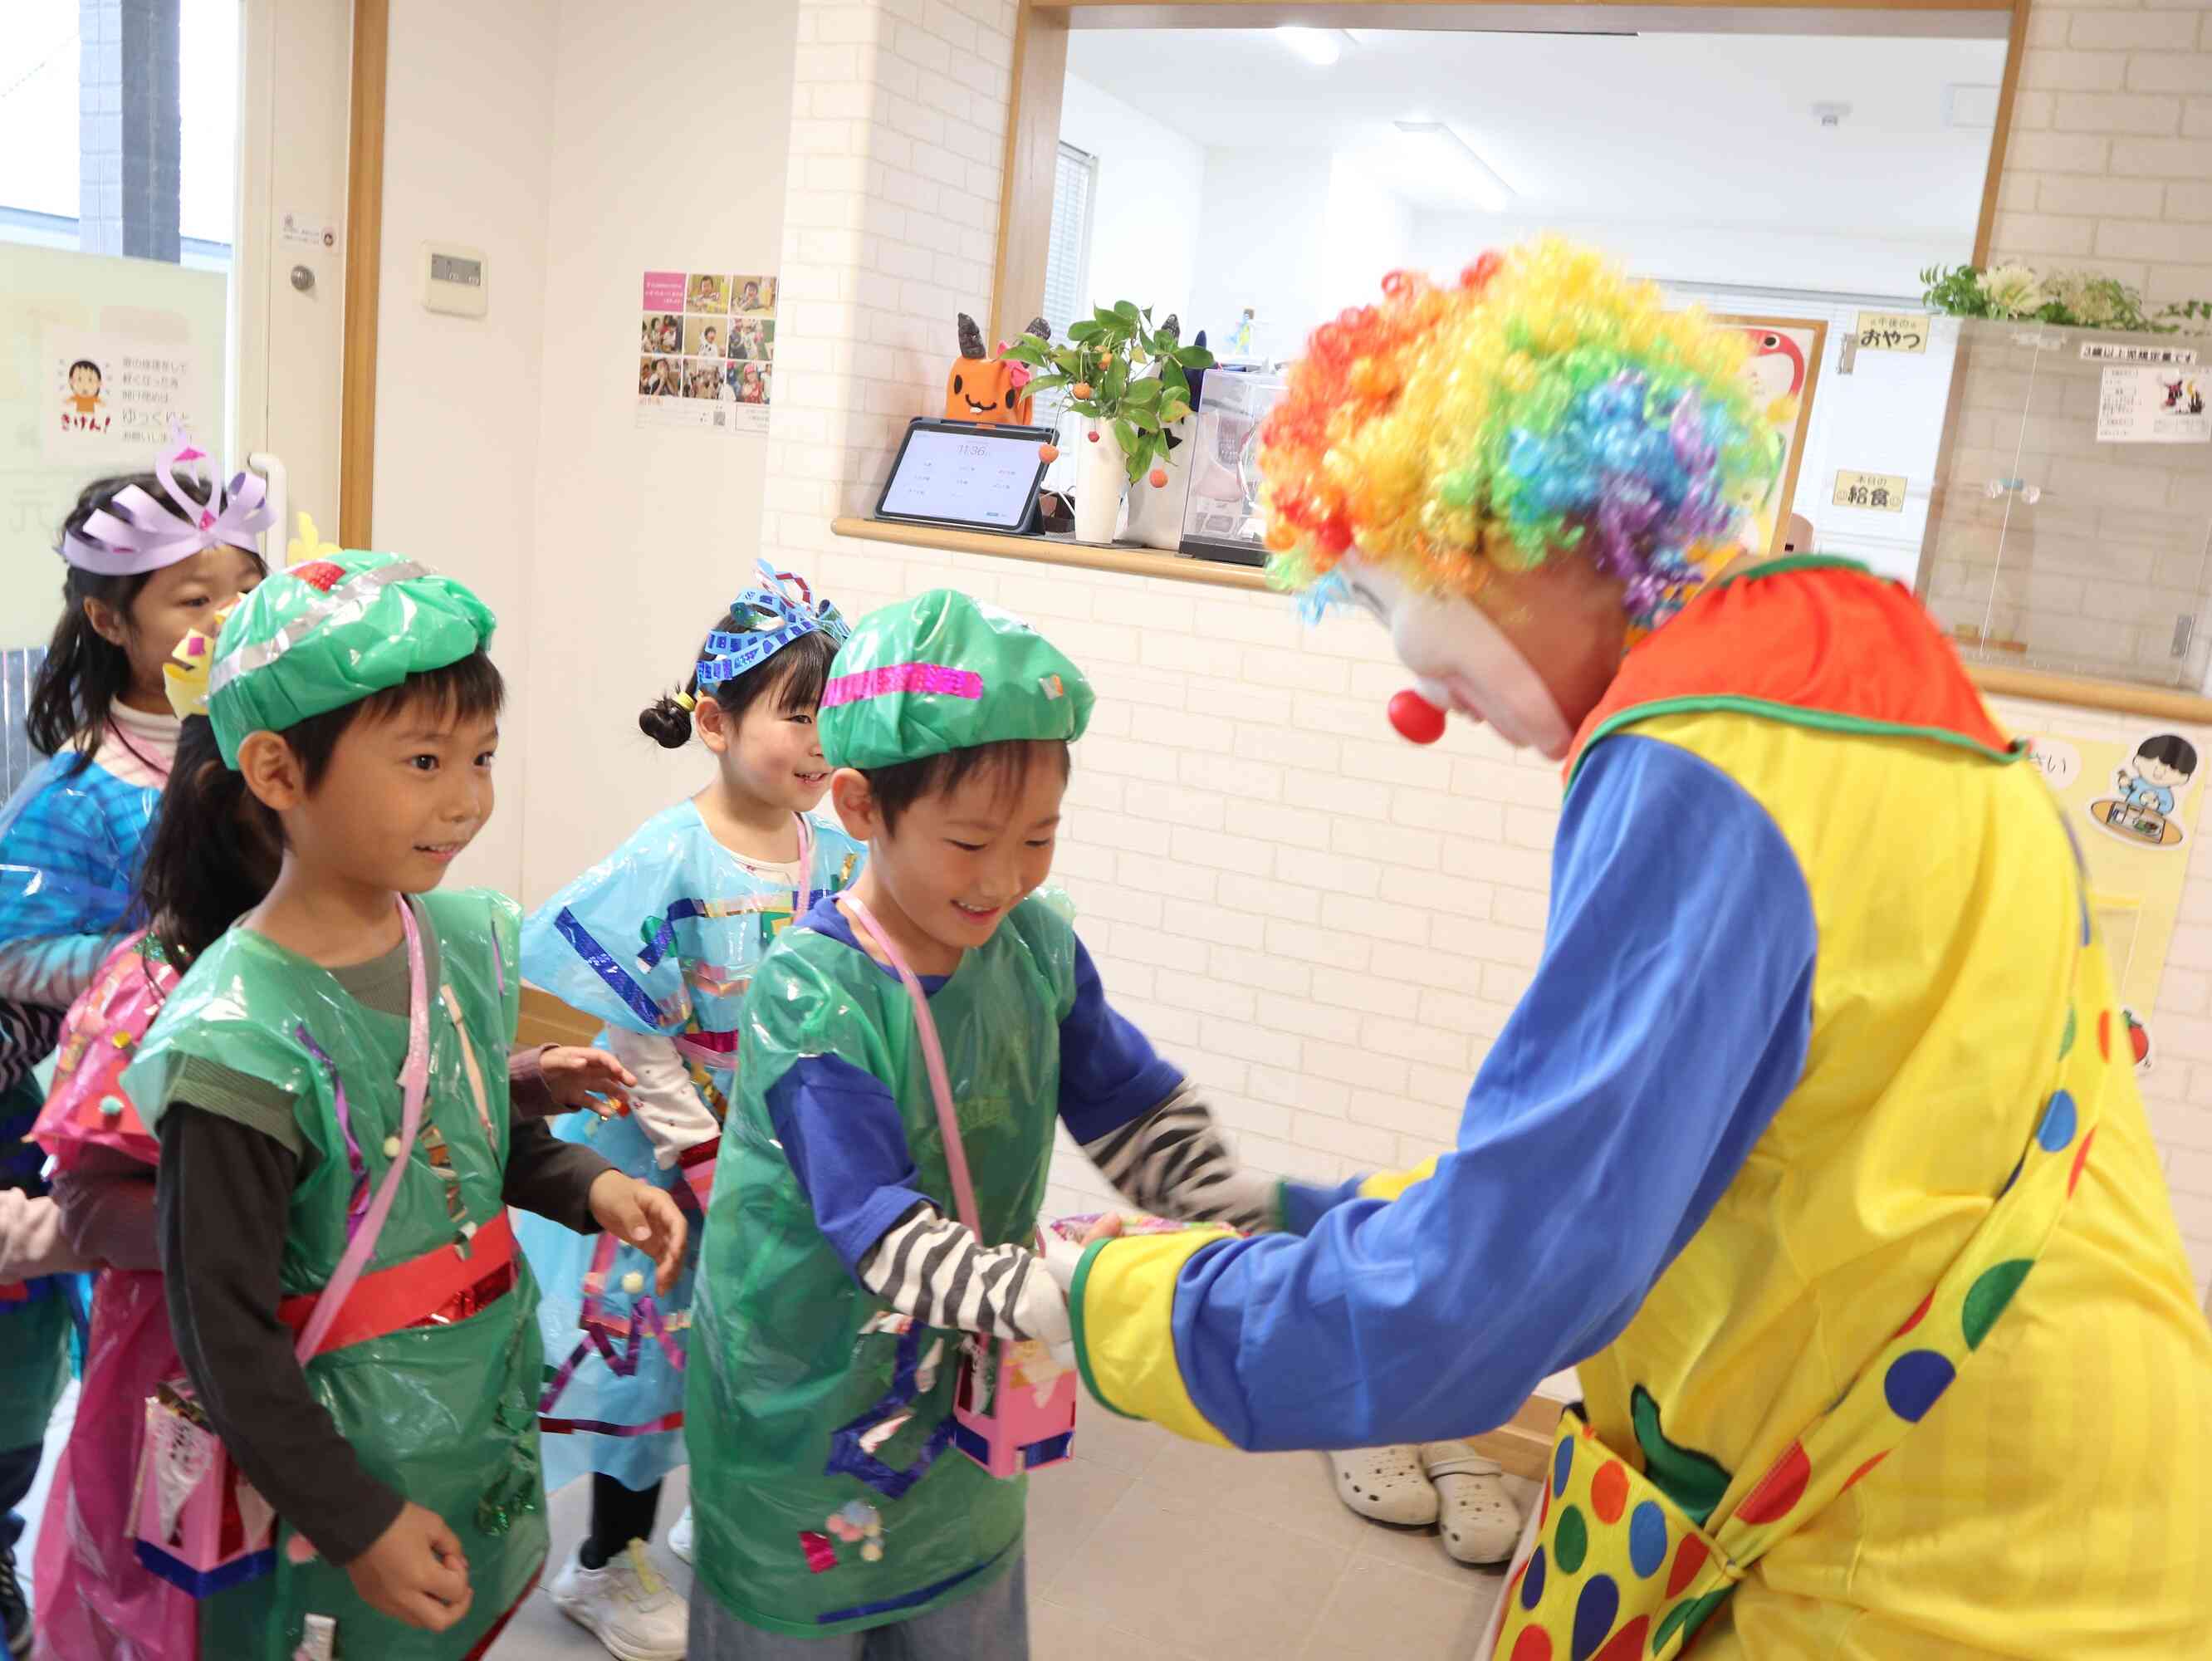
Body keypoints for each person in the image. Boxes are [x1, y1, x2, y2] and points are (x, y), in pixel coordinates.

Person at [1054, 241, 2212, 1659]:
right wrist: (1311, 1213)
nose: (1414, 688)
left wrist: (1100, 1300)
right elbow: (1697, 1162)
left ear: (1531, 523)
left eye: (1390, 593)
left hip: (1948, 1567)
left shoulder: (1697, 761)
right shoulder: (1857, 670)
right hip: (2084, 1483)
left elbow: (1489, 1295)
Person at [684, 590, 1340, 1658]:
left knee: (961, 1613)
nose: (1005, 876)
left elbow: (1132, 1109)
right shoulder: (816, 994)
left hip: (966, 1386)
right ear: (859, 804)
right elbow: (884, 1235)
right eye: (970, 839)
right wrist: (1085, 1298)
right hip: (802, 1406)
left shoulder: (1032, 945)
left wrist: (1244, 1208)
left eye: (1039, 836)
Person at [27, 634, 639, 1661]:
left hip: (444, 1393)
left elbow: (439, 1124)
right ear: (262, 787)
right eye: (424, 762)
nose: (467, 800)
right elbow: (180, 1268)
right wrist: (269, 1204)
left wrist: (573, 1156)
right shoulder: (197, 1008)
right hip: (276, 1395)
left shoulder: (440, 939)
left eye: (481, 757)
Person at [516, 564, 864, 1660]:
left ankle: (720, 1508)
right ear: (714, 721)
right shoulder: (667, 859)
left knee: (758, 1341)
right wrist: (699, 1146)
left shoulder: (838, 847)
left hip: (779, 1147)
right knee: (646, 1361)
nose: (819, 743)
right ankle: (602, 1565)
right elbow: (628, 1023)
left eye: (835, 717)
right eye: (797, 713)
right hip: (661, 1158)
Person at [0, 429, 271, 1658]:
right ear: (115, 622)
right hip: (111, 1118)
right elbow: (14, 952)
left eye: (247, 587)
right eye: (193, 595)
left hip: (257, 1096)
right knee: (107, 1348)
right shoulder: (78, 792)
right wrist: (158, 960)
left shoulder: (273, 746)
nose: (227, 615)